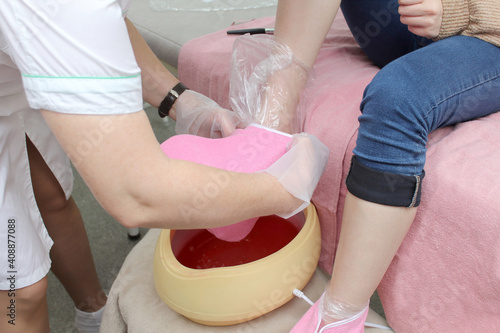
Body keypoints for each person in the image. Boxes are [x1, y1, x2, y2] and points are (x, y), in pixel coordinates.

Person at [0, 1, 329, 332]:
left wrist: (179, 100)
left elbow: (97, 33)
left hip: (17, 57)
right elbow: (136, 195)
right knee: (18, 292)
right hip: (21, 45)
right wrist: (282, 192)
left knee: (50, 194)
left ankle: (92, 312)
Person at [236, 0, 499, 331]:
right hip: (411, 17)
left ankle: (339, 316)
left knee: (396, 99)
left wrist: (466, 11)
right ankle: (270, 126)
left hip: (490, 34)